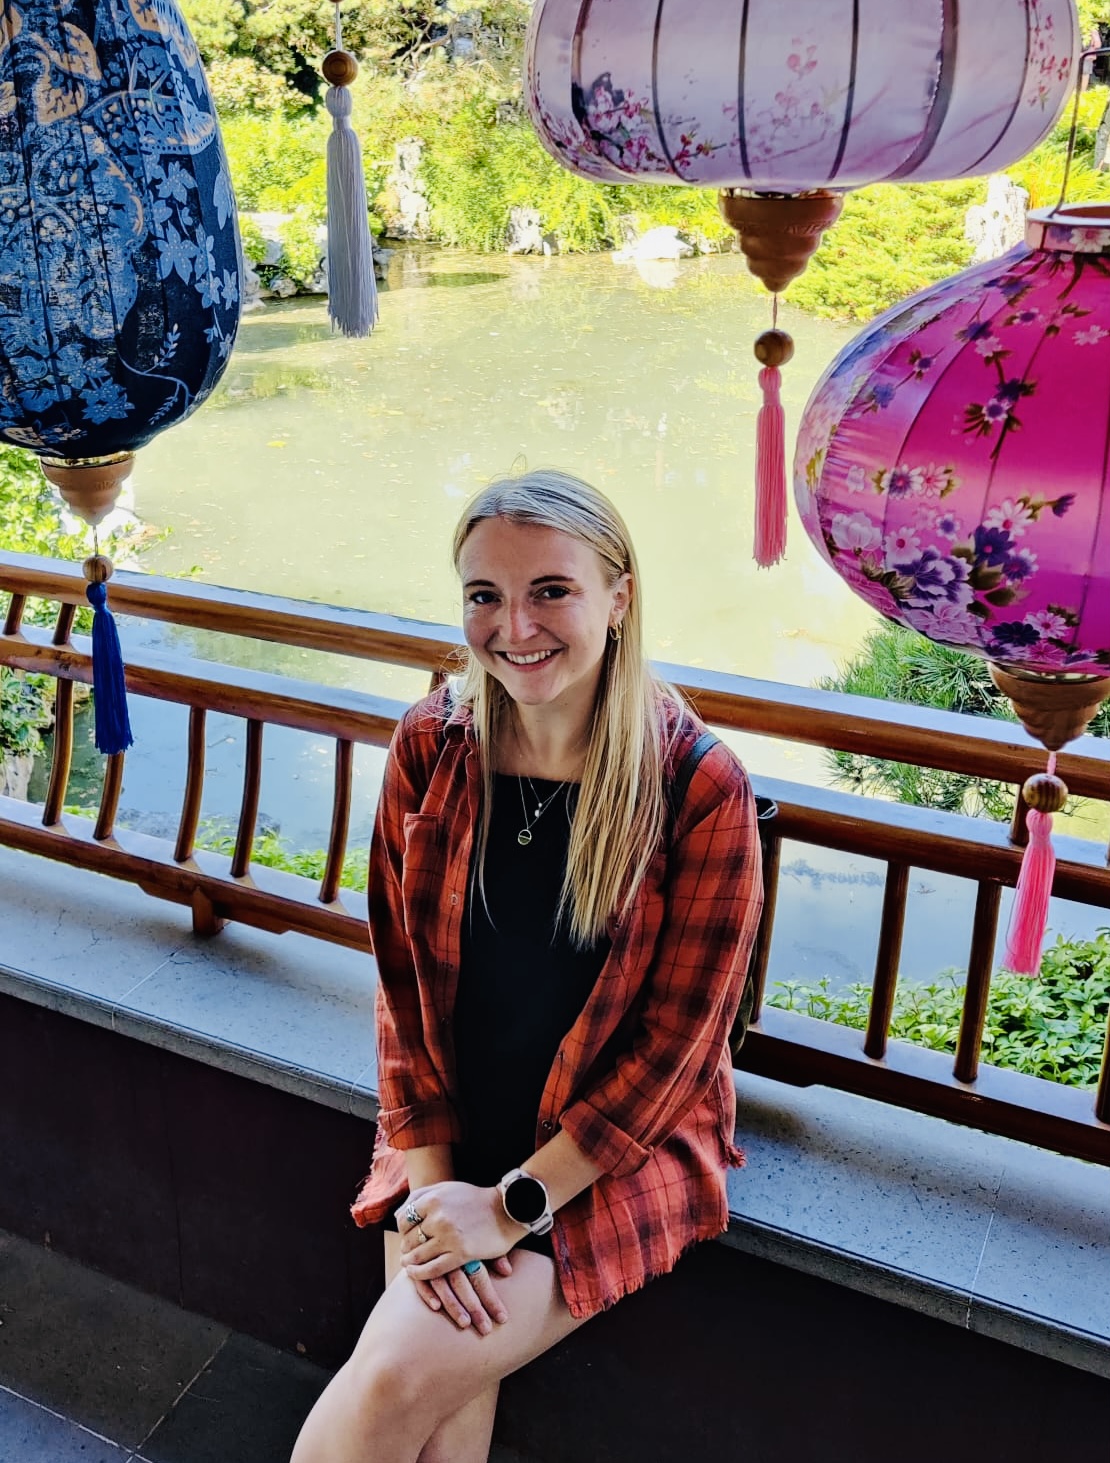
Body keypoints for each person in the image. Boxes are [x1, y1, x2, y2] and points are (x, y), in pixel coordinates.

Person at [290, 469, 764, 1463]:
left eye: (551, 588)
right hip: (450, 1128)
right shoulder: (432, 746)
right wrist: (435, 1197)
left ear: (620, 596)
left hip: (606, 1152)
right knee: (427, 1417)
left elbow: (677, 1052)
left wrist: (509, 1206)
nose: (515, 625)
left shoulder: (694, 783)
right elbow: (402, 994)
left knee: (387, 1384)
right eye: (484, 595)